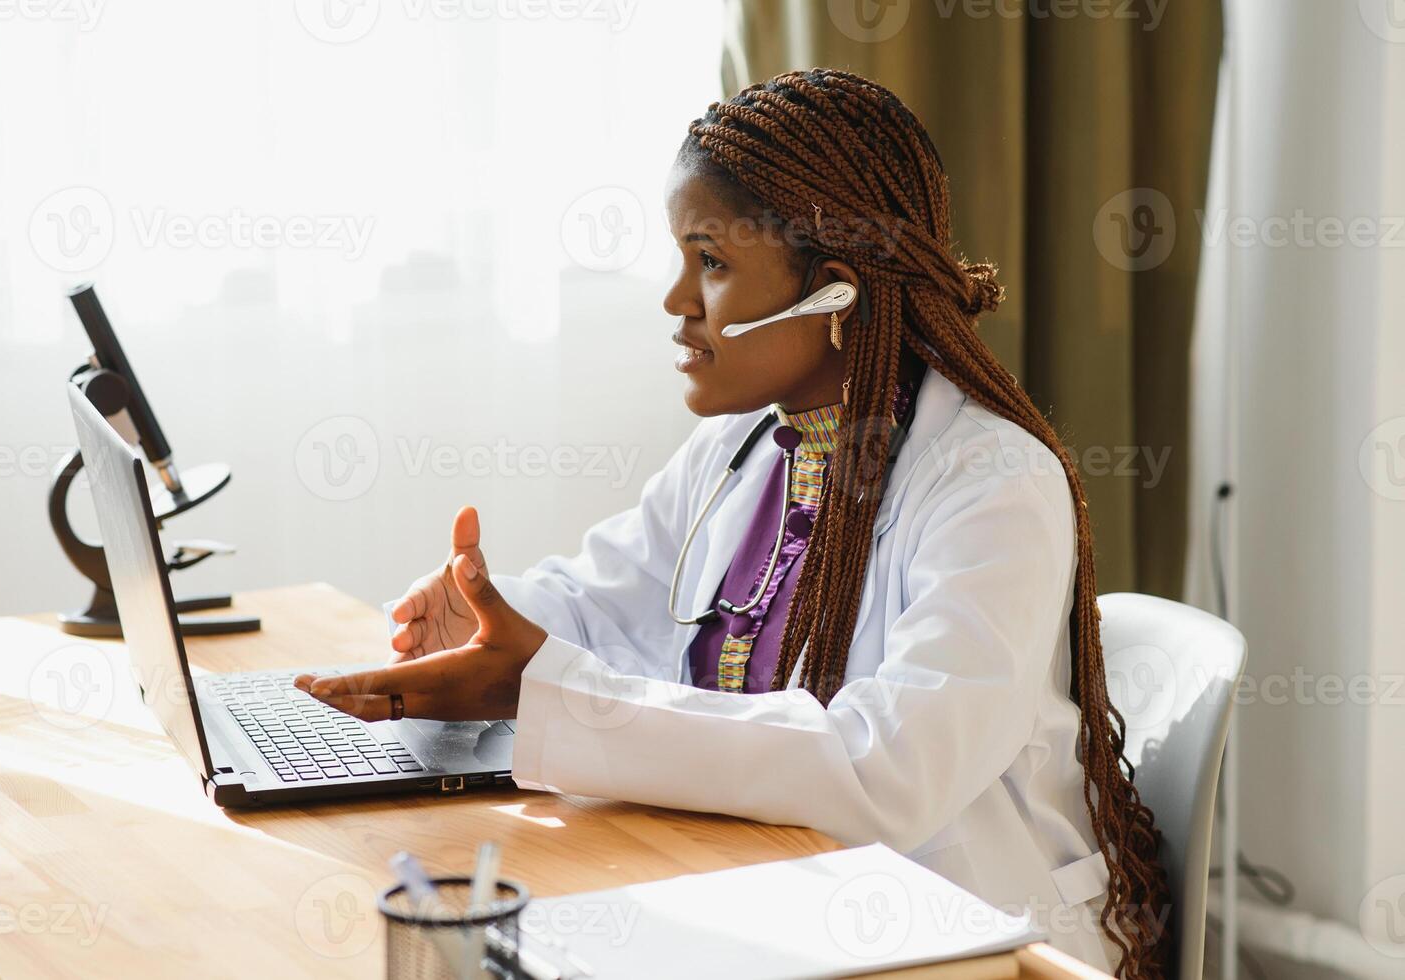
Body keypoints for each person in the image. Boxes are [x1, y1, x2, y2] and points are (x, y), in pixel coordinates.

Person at [295, 68, 1170, 978]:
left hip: (967, 936)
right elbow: (603, 601)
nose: (677, 301)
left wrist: (553, 691)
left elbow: (887, 772)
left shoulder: (992, 485)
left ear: (834, 291)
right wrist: (487, 622)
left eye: (710, 262)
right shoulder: (746, 449)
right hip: (775, 895)